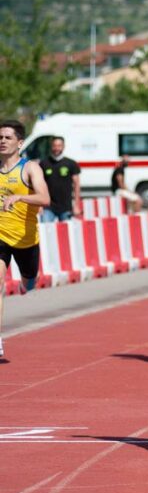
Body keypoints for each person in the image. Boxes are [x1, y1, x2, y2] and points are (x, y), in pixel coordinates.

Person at [0, 120, 51, 360]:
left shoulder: (30, 168)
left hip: (26, 238)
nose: (2, 141)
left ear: (20, 143)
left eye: (8, 137)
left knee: (29, 281)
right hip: (1, 235)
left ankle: (27, 282)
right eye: (0, 137)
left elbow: (44, 198)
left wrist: (20, 198)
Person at [40, 137, 81, 222]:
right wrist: (39, 205)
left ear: (63, 147)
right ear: (51, 147)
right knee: (46, 232)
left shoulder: (71, 163)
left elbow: (76, 185)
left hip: (66, 207)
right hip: (48, 206)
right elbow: (39, 185)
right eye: (54, 146)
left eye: (59, 146)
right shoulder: (44, 163)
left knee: (67, 233)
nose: (56, 148)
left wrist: (76, 205)